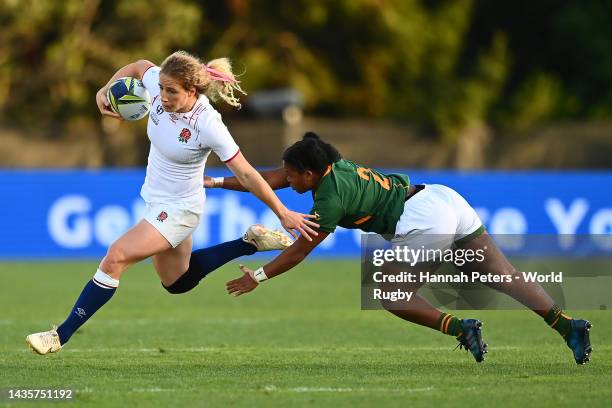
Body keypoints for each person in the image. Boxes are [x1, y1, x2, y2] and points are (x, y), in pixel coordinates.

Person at [207, 131, 593, 365]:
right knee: (502, 277)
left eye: (293, 175)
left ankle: (462, 327)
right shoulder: (330, 165)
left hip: (423, 222)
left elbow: (300, 250)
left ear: (309, 174)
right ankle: (568, 326)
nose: (287, 180)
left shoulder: (329, 201)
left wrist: (258, 276)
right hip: (444, 198)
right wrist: (213, 183)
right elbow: (268, 179)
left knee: (390, 294)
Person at [26, 51, 318, 355]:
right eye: (162, 88)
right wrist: (105, 89)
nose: (162, 97)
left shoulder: (209, 124)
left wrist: (282, 212)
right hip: (155, 199)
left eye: (171, 91)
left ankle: (59, 335)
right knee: (176, 282)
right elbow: (139, 66)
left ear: (192, 91)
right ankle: (249, 242)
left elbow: (246, 173)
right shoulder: (159, 85)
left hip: (181, 209)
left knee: (116, 256)